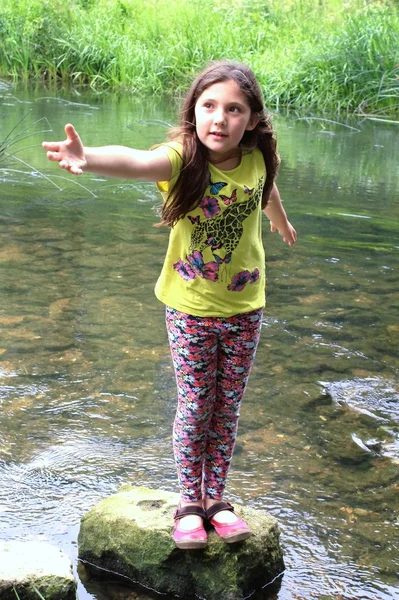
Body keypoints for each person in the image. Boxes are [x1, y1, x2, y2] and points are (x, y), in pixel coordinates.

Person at [42, 60, 297, 550]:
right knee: (197, 404)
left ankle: (216, 500)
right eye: (209, 106)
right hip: (190, 309)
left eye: (233, 109)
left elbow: (265, 188)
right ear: (193, 112)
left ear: (252, 118)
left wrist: (279, 221)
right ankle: (188, 503)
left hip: (246, 306)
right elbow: (136, 161)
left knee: (227, 408)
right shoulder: (182, 158)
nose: (219, 119)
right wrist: (88, 157)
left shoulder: (259, 157)